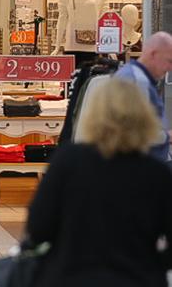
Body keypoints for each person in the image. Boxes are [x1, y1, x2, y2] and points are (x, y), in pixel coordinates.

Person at [27, 78, 172, 287]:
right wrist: (154, 264)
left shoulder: (68, 161)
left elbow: (38, 227)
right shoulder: (156, 172)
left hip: (72, 274)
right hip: (137, 276)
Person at [115, 31, 172, 160]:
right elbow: (136, 133)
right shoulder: (138, 81)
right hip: (142, 164)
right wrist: (167, 136)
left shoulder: (130, 75)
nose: (170, 68)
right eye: (169, 61)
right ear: (153, 54)